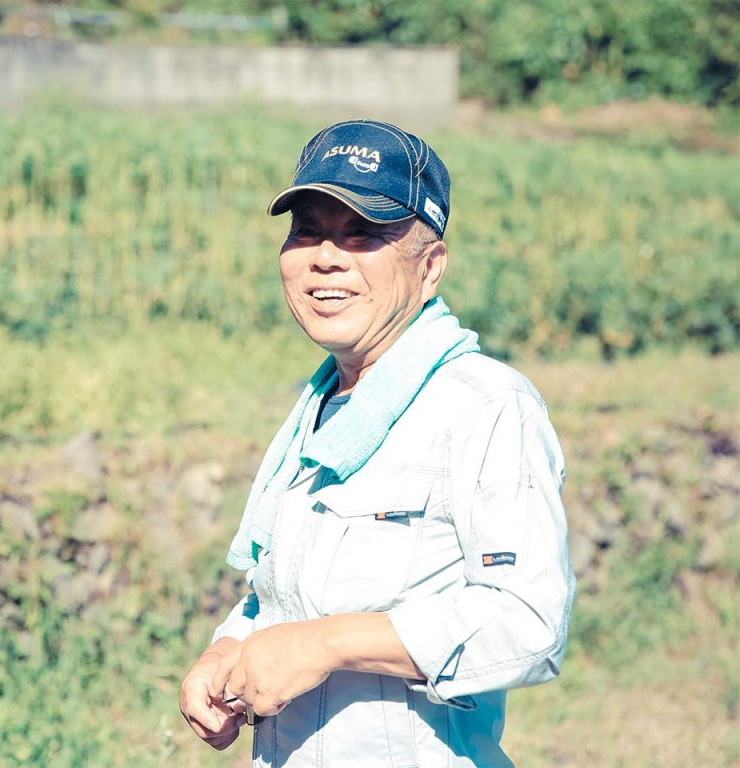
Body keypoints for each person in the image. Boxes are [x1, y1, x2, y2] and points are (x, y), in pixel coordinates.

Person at [179, 119, 575, 767]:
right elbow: (287, 596)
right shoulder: (325, 408)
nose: (326, 256)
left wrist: (328, 645)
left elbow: (529, 625)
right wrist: (227, 650)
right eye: (307, 230)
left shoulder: (484, 406)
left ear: (431, 267)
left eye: (362, 235)